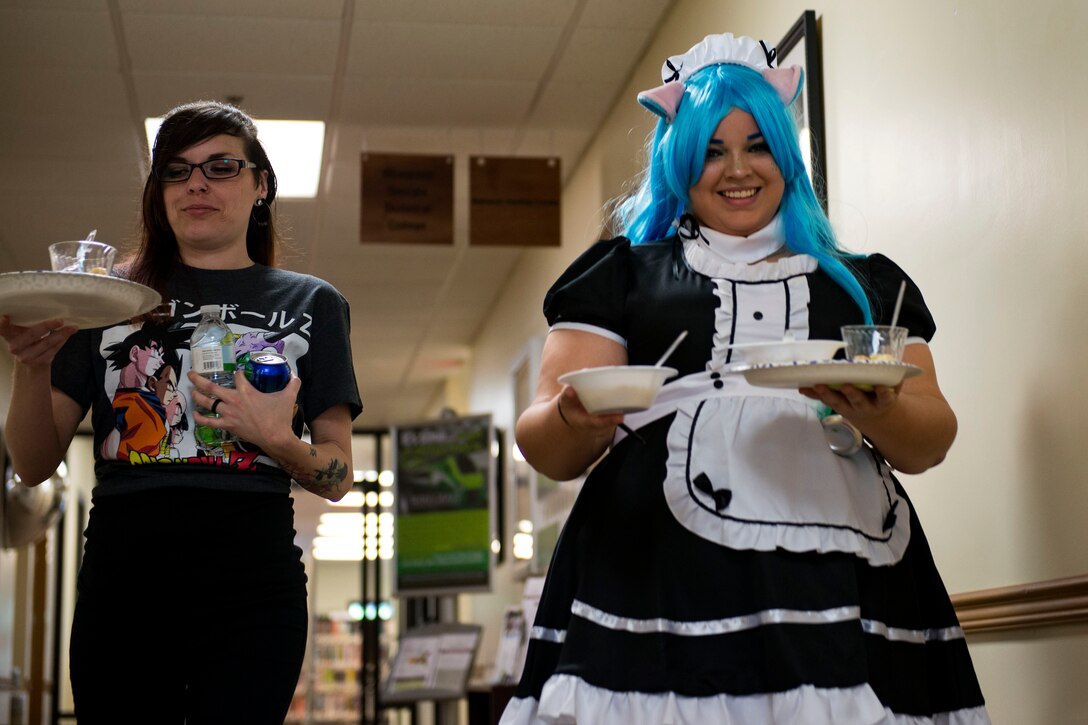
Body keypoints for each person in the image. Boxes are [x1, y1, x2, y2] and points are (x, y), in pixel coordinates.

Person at [501, 33, 989, 724]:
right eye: (711, 149)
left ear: (787, 154)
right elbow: (544, 443)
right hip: (658, 578)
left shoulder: (865, 285)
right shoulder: (620, 277)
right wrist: (573, 418)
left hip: (837, 573)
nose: (738, 168)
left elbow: (930, 437)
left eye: (758, 144)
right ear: (679, 161)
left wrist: (873, 408)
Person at [0, 100, 362, 724]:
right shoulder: (104, 296)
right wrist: (32, 367)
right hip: (126, 568)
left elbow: (337, 474)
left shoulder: (314, 304)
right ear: (159, 191)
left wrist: (278, 439)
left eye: (221, 166)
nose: (196, 183)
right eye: (177, 169)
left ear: (261, 185)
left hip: (254, 573)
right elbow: (32, 466)